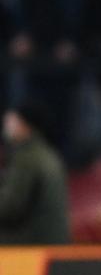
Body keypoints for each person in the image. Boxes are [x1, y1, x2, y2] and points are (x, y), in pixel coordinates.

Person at [0, 101, 70, 245]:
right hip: (52, 246)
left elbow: (10, 207)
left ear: (26, 125)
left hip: (31, 248)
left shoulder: (27, 159)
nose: (7, 125)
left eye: (14, 121)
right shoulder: (48, 154)